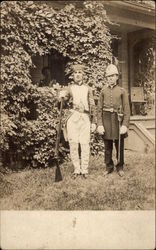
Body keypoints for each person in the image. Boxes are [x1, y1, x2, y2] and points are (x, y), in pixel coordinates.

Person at [58, 64, 96, 179]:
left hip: (84, 118)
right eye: (75, 73)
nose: (78, 75)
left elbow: (92, 105)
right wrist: (61, 97)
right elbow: (62, 105)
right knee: (73, 144)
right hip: (73, 118)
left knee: (85, 144)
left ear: (83, 75)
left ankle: (84, 169)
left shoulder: (88, 89)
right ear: (73, 76)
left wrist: (94, 121)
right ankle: (76, 169)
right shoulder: (69, 88)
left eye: (80, 73)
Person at [97, 64, 130, 177]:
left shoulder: (122, 91)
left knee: (119, 145)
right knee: (107, 146)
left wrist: (125, 124)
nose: (110, 78)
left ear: (117, 77)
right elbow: (99, 110)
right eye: (108, 76)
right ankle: (109, 166)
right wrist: (100, 124)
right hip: (106, 121)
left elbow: (127, 109)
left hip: (118, 121)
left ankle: (120, 166)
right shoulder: (103, 91)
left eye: (113, 76)